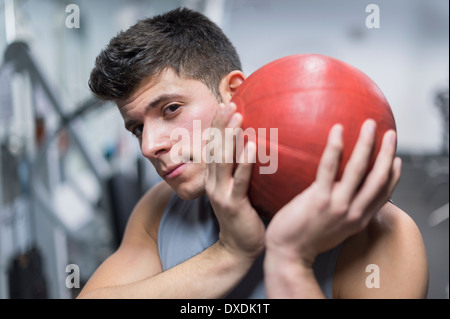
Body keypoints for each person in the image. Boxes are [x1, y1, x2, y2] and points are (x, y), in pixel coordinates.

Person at [77, 7, 428, 299]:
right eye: (137, 128)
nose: (149, 146)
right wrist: (229, 254)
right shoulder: (159, 209)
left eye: (170, 109)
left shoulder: (383, 235)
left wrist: (291, 261)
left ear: (233, 93)